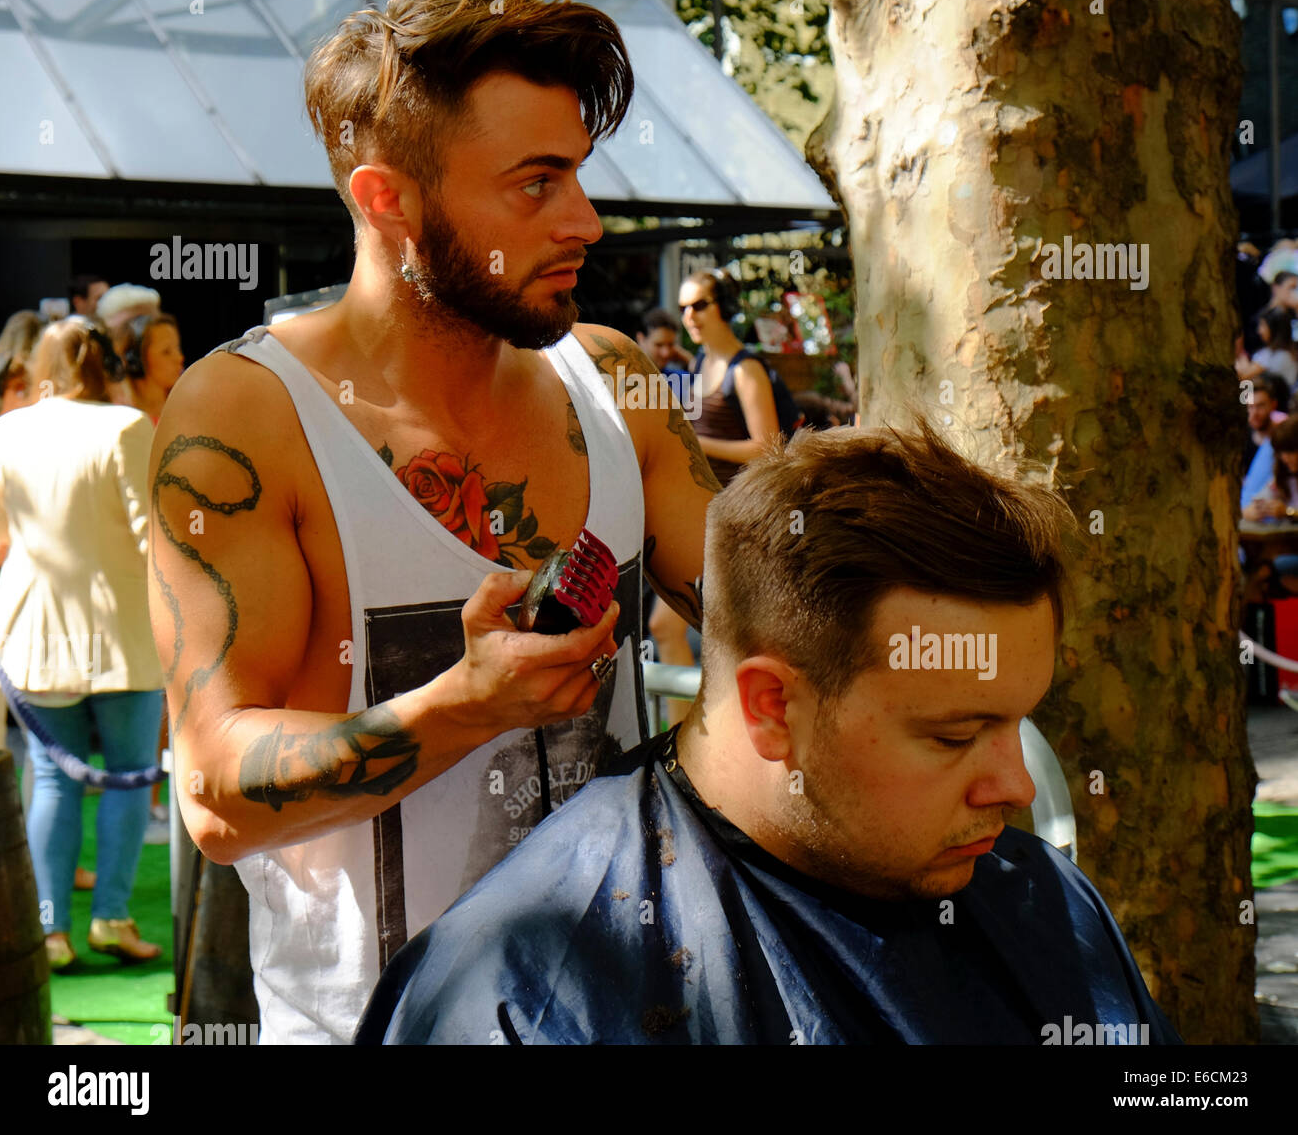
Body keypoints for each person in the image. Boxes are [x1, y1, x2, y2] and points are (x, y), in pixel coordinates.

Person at [148, 0, 718, 1044]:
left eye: (578, 177)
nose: (585, 222)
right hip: (367, 1025)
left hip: (638, 1012)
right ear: (389, 201)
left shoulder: (614, 380)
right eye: (535, 184)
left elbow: (766, 608)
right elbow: (215, 791)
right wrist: (462, 705)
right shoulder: (248, 414)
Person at [356, 422, 1181, 1046]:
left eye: (1016, 720)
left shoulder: (1040, 899)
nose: (1018, 787)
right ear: (772, 707)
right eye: (955, 736)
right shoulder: (533, 996)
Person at [0, 317, 165, 968]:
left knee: (51, 780)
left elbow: (3, 539)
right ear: (108, 367)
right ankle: (111, 919)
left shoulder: (8, 430)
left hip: (31, 632)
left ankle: (50, 931)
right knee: (127, 779)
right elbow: (155, 538)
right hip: (123, 634)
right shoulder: (126, 427)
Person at [647, 269, 780, 670]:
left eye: (700, 305)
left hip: (738, 522)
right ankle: (682, 729)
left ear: (725, 307)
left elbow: (769, 447)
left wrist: (696, 444)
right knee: (672, 630)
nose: (689, 316)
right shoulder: (700, 361)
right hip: (701, 514)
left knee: (725, 638)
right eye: (684, 307)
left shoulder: (746, 369)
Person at [112, 312, 185, 425]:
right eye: (166, 351)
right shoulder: (121, 417)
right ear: (137, 360)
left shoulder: (186, 409)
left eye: (177, 348)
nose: (180, 358)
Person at [1242, 372, 1289, 512]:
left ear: (1273, 405)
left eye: (1260, 406)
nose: (1254, 413)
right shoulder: (1241, 439)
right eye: (1250, 407)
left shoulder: (1286, 437)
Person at [1238, 305, 1298, 388]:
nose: (1259, 331)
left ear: (1273, 329)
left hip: (1275, 399)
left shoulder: (1275, 355)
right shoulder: (1288, 353)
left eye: (1262, 325)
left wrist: (1241, 354)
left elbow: (1242, 377)